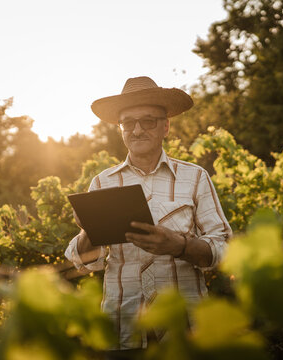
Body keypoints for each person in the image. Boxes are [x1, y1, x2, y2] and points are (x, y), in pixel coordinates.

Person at [64, 76, 232, 354]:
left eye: (148, 121)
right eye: (128, 123)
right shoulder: (101, 183)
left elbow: (224, 249)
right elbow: (84, 262)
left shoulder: (196, 177)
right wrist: (88, 232)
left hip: (185, 331)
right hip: (122, 330)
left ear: (165, 126)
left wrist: (180, 246)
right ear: (120, 129)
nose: (137, 129)